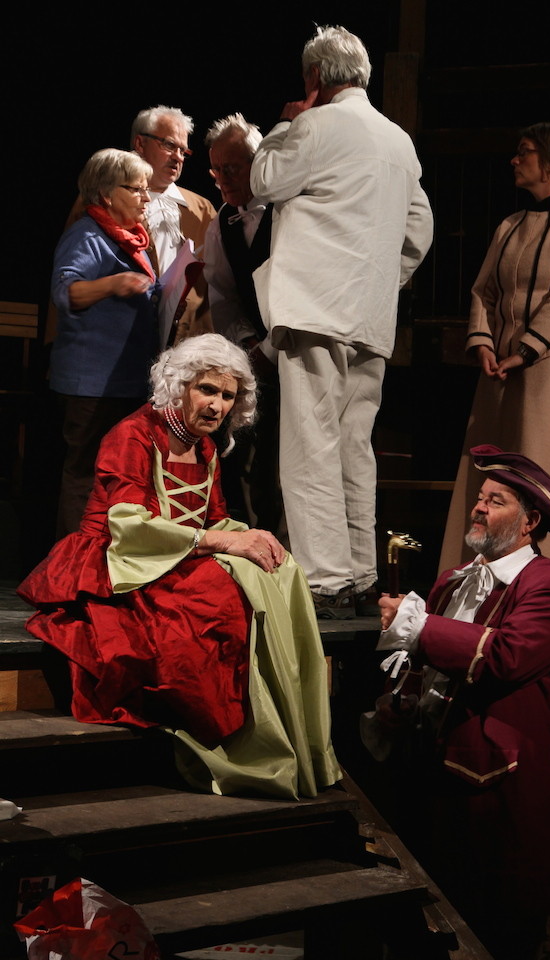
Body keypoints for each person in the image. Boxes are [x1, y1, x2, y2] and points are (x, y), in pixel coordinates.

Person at [18, 335, 341, 801]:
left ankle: (282, 730)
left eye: (227, 396)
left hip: (176, 554)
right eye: (207, 389)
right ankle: (225, 734)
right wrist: (224, 542)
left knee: (278, 569)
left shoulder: (204, 447)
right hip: (121, 562)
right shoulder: (133, 435)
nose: (216, 405)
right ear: (179, 385)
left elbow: (213, 519)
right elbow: (130, 526)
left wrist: (253, 537)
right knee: (218, 598)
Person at [376, 444, 550, 960]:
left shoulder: (549, 584)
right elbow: (426, 667)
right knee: (440, 929)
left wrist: (418, 626)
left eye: (495, 501)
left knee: (507, 936)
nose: (479, 508)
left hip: (502, 789)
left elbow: (505, 657)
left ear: (529, 522)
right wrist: (402, 701)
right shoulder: (452, 581)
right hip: (439, 776)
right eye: (479, 498)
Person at [250, 25, 434, 619]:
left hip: (315, 305)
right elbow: (419, 229)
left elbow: (263, 181)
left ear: (314, 76)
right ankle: (360, 573)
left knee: (311, 443)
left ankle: (326, 580)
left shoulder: (314, 125)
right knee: (355, 445)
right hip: (370, 315)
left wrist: (285, 125)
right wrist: (380, 278)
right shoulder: (399, 141)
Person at [439, 123, 550, 614]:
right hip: (503, 370)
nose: (515, 160)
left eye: (525, 152)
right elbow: (484, 291)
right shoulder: (511, 224)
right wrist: (483, 342)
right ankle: (487, 588)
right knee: (495, 473)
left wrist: (527, 348)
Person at [50, 148, 160, 537]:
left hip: (124, 382)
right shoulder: (87, 235)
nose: (146, 198)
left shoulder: (129, 240)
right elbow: (65, 292)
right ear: (107, 194)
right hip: (93, 386)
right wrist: (113, 284)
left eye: (146, 189)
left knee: (118, 479)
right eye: (137, 189)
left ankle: (106, 561)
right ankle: (72, 563)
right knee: (85, 477)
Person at [203, 113, 284, 538]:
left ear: (258, 162)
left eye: (231, 168)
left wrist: (272, 348)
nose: (222, 179)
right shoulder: (222, 222)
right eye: (216, 170)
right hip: (253, 357)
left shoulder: (289, 210)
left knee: (291, 459)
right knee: (251, 458)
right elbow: (222, 294)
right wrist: (249, 343)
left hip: (297, 351)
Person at [130, 105, 215, 341]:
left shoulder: (202, 210)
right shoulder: (108, 197)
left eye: (183, 151)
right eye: (169, 145)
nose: (178, 157)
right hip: (124, 336)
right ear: (140, 144)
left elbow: (220, 285)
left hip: (185, 342)